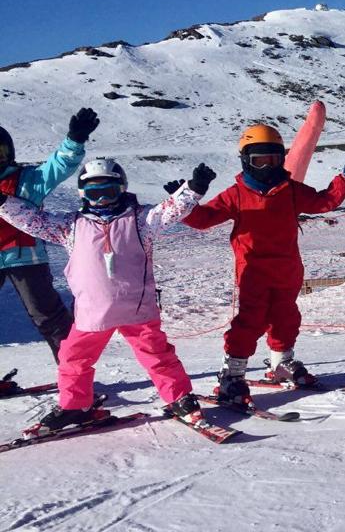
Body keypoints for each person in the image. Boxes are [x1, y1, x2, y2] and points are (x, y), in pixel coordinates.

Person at [0, 159, 214, 435]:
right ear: (82, 194)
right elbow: (34, 220)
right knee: (73, 358)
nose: (101, 199)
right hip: (92, 312)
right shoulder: (71, 226)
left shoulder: (140, 220)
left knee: (158, 356)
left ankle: (180, 399)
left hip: (136, 310)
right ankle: (75, 405)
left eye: (108, 192)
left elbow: (168, 211)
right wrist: (4, 201)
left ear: (121, 189)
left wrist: (193, 189)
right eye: (93, 193)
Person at [181, 124, 345, 407]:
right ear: (246, 160)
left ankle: (281, 362)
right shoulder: (236, 194)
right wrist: (188, 195)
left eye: (274, 159)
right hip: (253, 272)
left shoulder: (291, 190)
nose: (268, 166)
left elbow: (325, 201)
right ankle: (232, 375)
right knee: (250, 321)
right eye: (260, 160)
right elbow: (201, 220)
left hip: (287, 271)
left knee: (287, 317)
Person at [0, 109, 97, 361]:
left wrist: (74, 140)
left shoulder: (27, 180)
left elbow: (58, 166)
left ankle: (74, 374)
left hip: (26, 258)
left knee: (47, 315)